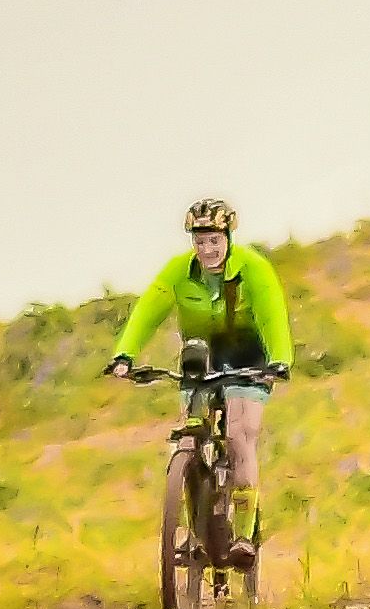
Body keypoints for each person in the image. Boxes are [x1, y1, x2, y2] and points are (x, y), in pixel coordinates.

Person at [102, 196, 290, 533]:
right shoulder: (178, 270)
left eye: (214, 241)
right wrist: (124, 354)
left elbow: (272, 315)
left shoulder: (253, 268)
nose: (207, 250)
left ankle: (244, 532)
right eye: (200, 242)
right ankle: (192, 494)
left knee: (239, 436)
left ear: (228, 238)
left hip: (248, 357)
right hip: (201, 357)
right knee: (189, 425)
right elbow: (148, 309)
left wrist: (280, 360)